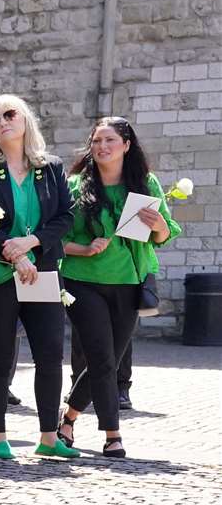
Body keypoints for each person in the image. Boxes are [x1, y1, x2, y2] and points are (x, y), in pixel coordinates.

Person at [57, 116, 179, 459]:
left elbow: (165, 235)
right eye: (96, 141)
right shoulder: (75, 186)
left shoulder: (145, 183)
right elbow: (56, 239)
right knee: (101, 357)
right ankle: (113, 435)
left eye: (109, 141)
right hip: (83, 282)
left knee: (106, 361)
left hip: (129, 283)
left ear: (126, 145)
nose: (102, 147)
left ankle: (66, 422)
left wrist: (157, 226)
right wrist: (84, 247)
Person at [0, 94, 76, 459]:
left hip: (41, 271)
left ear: (24, 119)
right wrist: (12, 252)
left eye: (9, 114)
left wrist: (31, 243)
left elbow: (65, 217)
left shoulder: (51, 166)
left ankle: (48, 438)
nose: (3, 123)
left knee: (49, 353)